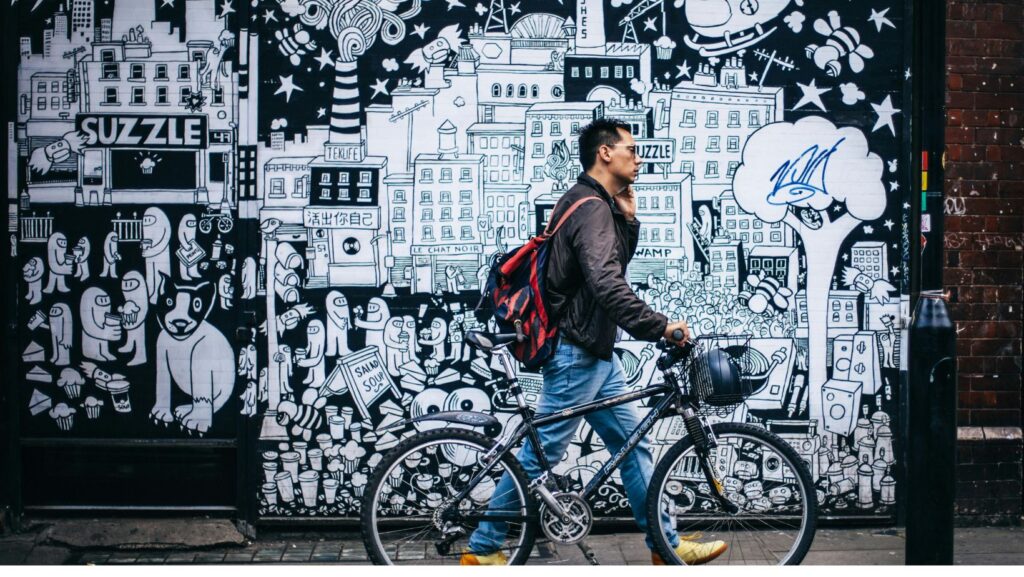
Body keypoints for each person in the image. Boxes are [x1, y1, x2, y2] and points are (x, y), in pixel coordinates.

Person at [461, 119, 727, 566]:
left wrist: (629, 217)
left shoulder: (592, 204)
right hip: (576, 352)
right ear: (605, 153)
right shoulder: (589, 207)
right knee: (539, 456)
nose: (638, 158)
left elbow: (609, 265)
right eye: (631, 149)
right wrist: (660, 326)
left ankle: (665, 544)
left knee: (632, 441)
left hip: (595, 353)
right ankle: (485, 548)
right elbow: (608, 284)